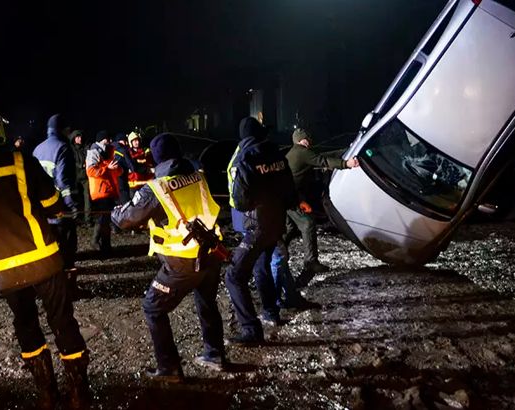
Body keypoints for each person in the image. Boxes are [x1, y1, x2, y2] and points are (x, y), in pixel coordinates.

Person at [0, 108, 90, 409]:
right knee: (62, 322)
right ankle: (79, 395)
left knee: (26, 325)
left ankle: (46, 395)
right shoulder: (20, 162)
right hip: (44, 260)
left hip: (3, 271)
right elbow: (53, 205)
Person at [112, 133, 227, 381]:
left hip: (181, 262)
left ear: (156, 158)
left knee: (152, 308)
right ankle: (215, 355)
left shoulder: (157, 187)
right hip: (210, 253)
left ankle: (169, 368)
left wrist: (115, 212)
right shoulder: (198, 177)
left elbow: (125, 219)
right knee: (207, 302)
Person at [225, 117, 298, 344]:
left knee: (234, 276)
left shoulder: (245, 158)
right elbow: (290, 190)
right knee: (261, 266)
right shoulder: (277, 154)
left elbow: (240, 201)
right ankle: (270, 312)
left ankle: (251, 331)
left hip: (255, 225)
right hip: (277, 222)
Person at [285, 128, 359, 286]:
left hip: (285, 196)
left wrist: (343, 152)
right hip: (290, 198)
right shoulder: (302, 152)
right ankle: (310, 262)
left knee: (290, 229)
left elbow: (322, 157)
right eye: (306, 139)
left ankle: (271, 252)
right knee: (308, 223)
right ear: (301, 140)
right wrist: (347, 163)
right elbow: (322, 161)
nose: (308, 142)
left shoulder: (295, 152)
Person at [33, 114, 81, 296]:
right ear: (64, 130)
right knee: (67, 250)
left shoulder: (37, 149)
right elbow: (64, 182)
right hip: (61, 211)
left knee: (49, 251)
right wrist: (71, 206)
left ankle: (49, 288)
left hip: (42, 212)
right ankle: (68, 290)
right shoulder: (63, 148)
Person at [86, 130, 122, 254]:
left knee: (106, 219)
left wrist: (118, 170)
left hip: (108, 189)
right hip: (100, 190)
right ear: (103, 139)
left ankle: (105, 245)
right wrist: (108, 168)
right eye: (108, 138)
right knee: (103, 218)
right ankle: (97, 242)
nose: (110, 141)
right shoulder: (94, 152)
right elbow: (90, 171)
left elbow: (114, 170)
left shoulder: (108, 151)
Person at [69, 129, 92, 226]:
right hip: (74, 177)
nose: (80, 139)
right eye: (77, 137)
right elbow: (70, 161)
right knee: (75, 199)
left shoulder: (86, 148)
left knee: (87, 198)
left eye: (80, 137)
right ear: (74, 138)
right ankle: (76, 218)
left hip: (85, 177)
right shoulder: (70, 149)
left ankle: (88, 219)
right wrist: (80, 165)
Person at [127, 131, 155, 197]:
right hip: (135, 183)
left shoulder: (145, 151)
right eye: (134, 141)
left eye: (138, 140)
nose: (137, 142)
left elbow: (150, 163)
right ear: (131, 142)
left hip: (148, 181)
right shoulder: (128, 154)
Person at [112, 132, 133, 205]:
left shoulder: (111, 149)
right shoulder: (122, 150)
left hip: (113, 179)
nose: (126, 143)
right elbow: (131, 164)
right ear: (120, 141)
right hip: (122, 176)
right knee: (125, 200)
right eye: (124, 141)